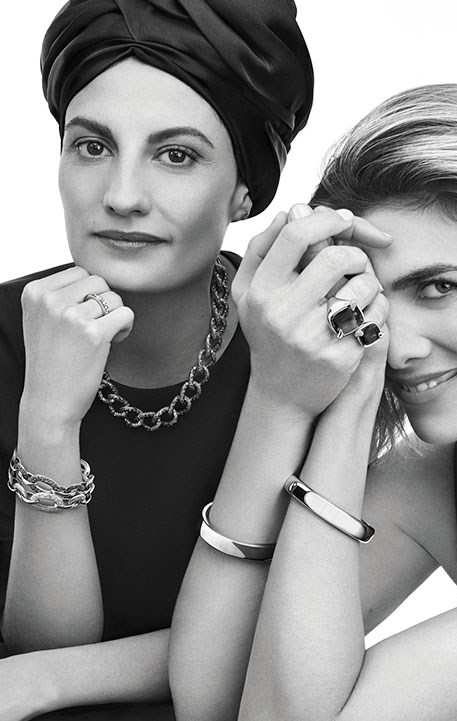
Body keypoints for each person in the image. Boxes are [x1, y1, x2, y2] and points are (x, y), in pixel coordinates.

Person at [170, 84, 457, 720]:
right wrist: (277, 395)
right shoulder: (442, 476)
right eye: (363, 304)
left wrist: (347, 404)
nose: (395, 348)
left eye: (438, 288)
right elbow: (213, 691)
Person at [0, 1, 315, 718]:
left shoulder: (297, 348)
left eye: (176, 155)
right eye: (92, 146)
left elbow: (287, 640)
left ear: (246, 189)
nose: (122, 197)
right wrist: (47, 420)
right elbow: (42, 649)